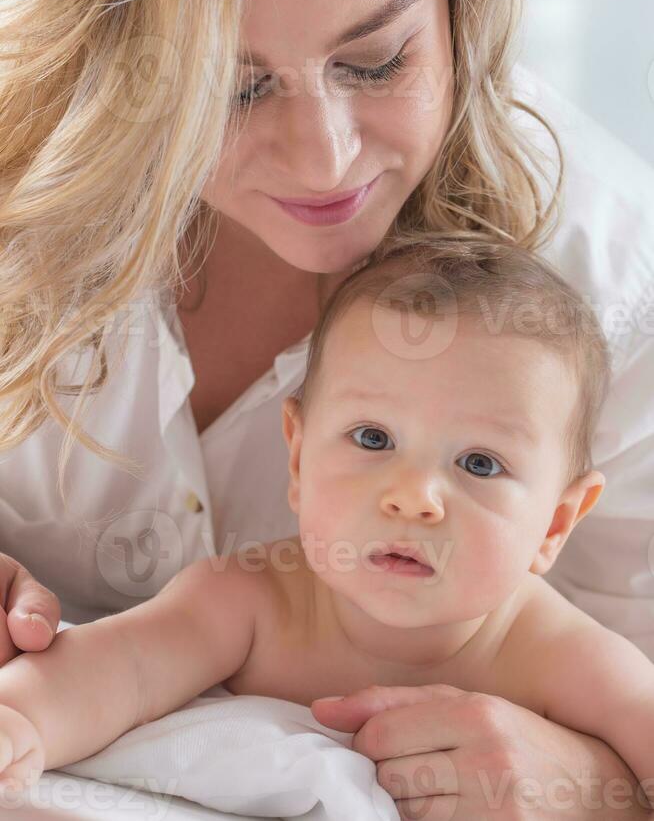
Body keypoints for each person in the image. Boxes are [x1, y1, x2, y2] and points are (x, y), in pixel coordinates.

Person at [0, 0, 653, 816]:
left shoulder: (611, 286)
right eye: (232, 87)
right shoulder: (26, 177)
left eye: (378, 59)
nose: (325, 157)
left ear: (457, 0)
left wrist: (593, 788)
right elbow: (101, 674)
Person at [0, 235, 653, 817]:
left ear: (555, 523)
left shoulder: (562, 659)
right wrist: (21, 720)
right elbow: (121, 667)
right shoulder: (253, 600)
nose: (414, 497)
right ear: (298, 454)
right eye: (372, 438)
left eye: (479, 463)